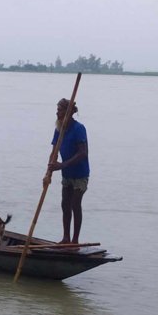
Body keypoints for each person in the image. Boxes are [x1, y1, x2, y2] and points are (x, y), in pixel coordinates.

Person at [44, 98, 89, 244]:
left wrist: (62, 165)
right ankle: (66, 238)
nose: (57, 113)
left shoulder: (78, 129)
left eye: (60, 110)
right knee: (65, 204)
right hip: (67, 174)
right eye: (57, 110)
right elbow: (54, 152)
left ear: (68, 112)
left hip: (80, 174)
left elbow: (83, 153)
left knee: (75, 203)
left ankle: (74, 240)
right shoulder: (59, 129)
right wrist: (48, 173)